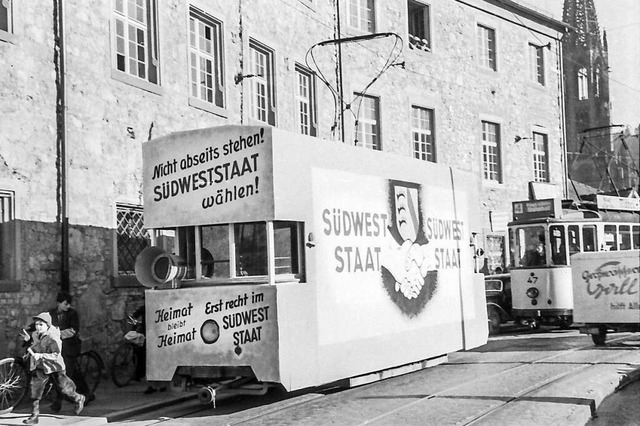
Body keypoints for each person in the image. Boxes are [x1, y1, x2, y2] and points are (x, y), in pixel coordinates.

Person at [21, 312, 85, 424]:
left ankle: (79, 398)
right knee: (35, 389)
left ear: (48, 325)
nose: (38, 327)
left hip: (55, 367)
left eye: (41, 324)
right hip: (41, 366)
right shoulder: (35, 334)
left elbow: (56, 354)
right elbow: (35, 347)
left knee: (64, 390)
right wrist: (28, 343)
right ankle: (34, 416)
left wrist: (41, 355)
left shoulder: (53, 336)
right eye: (36, 324)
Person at [49, 292, 94, 412]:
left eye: (69, 304)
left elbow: (73, 330)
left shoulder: (73, 314)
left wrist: (58, 334)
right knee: (74, 374)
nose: (68, 306)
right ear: (58, 303)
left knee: (63, 375)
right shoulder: (51, 313)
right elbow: (42, 323)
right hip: (57, 349)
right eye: (65, 304)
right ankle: (88, 393)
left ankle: (58, 401)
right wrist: (30, 328)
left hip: (70, 348)